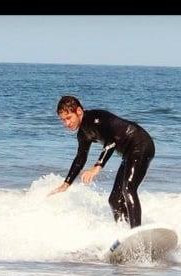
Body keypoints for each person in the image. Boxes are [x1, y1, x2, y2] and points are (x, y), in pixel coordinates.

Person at [48, 95, 155, 229]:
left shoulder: (96, 120)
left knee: (128, 189)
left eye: (69, 118)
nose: (67, 123)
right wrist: (66, 184)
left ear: (79, 112)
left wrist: (98, 166)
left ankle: (137, 232)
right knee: (114, 200)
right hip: (129, 154)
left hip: (141, 145)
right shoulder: (82, 134)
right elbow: (80, 158)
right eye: (63, 120)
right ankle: (126, 234)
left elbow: (111, 141)